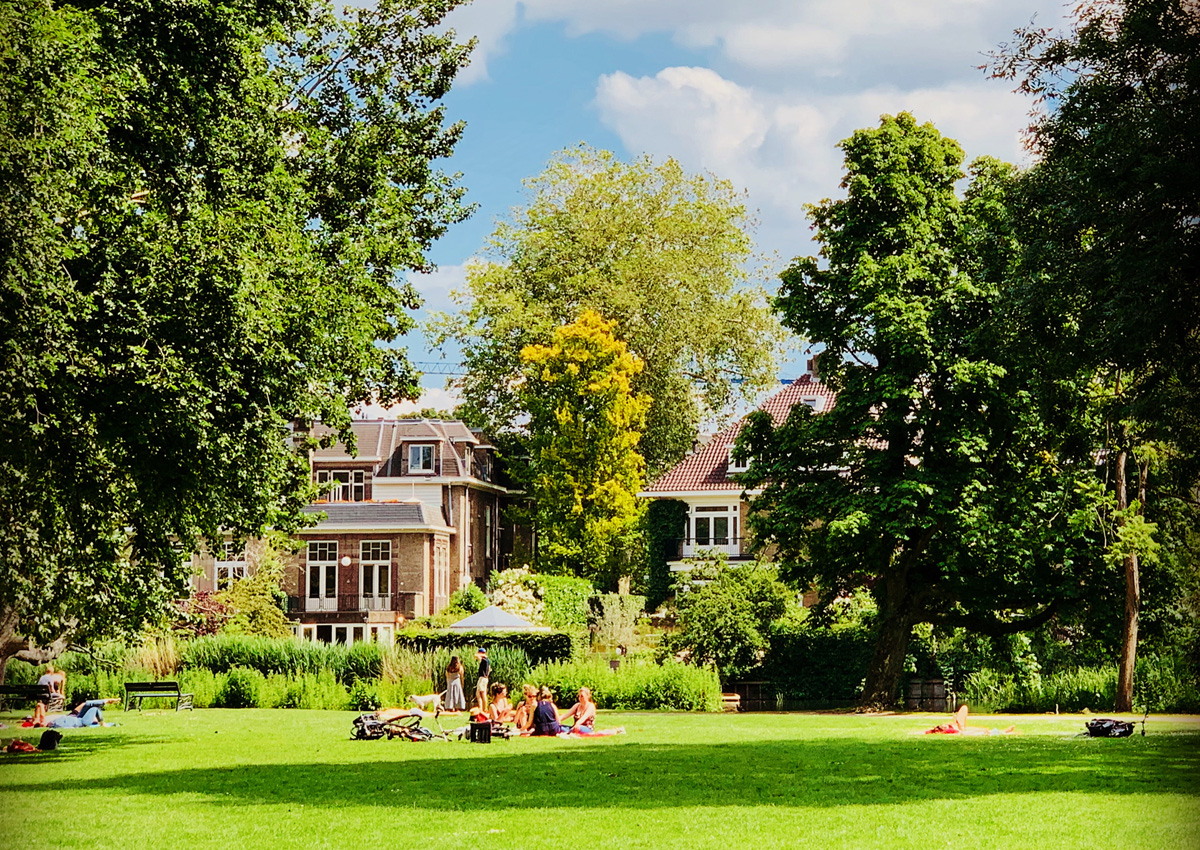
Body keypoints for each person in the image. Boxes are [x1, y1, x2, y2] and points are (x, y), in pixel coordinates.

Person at [560, 686, 625, 737]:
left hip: (586, 729)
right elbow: (565, 715)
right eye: (579, 696)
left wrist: (577, 724)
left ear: (588, 696)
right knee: (560, 727)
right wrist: (557, 720)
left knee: (578, 727)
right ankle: (571, 732)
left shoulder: (591, 706)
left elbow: (584, 718)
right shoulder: (577, 706)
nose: (580, 698)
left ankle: (572, 733)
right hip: (575, 727)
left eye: (582, 696)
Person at [925, 704, 1016, 736]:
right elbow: (962, 733)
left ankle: (1002, 732)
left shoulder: (949, 729)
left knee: (985, 731)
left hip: (958, 728)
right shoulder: (951, 730)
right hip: (960, 729)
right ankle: (1003, 732)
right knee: (985, 731)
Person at [31, 698, 118, 728]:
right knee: (94, 708)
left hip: (75, 717)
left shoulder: (46, 721)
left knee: (87, 704)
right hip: (79, 721)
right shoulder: (48, 723)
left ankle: (106, 701)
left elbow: (40, 708)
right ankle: (103, 723)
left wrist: (39, 707)